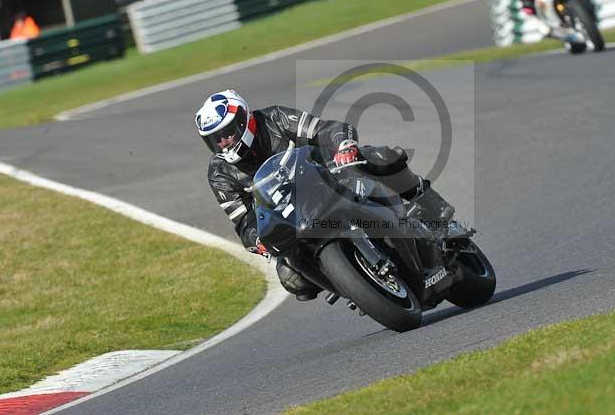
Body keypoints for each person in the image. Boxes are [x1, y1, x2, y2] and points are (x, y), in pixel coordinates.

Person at [195, 90, 455, 301]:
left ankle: (430, 203)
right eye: (215, 140)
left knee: (380, 157)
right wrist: (257, 239)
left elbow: (324, 129)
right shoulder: (219, 173)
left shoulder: (275, 119)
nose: (224, 143)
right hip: (291, 216)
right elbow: (243, 221)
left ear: (245, 121)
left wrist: (343, 147)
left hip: (326, 177)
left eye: (227, 134)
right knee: (291, 277)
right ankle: (357, 288)